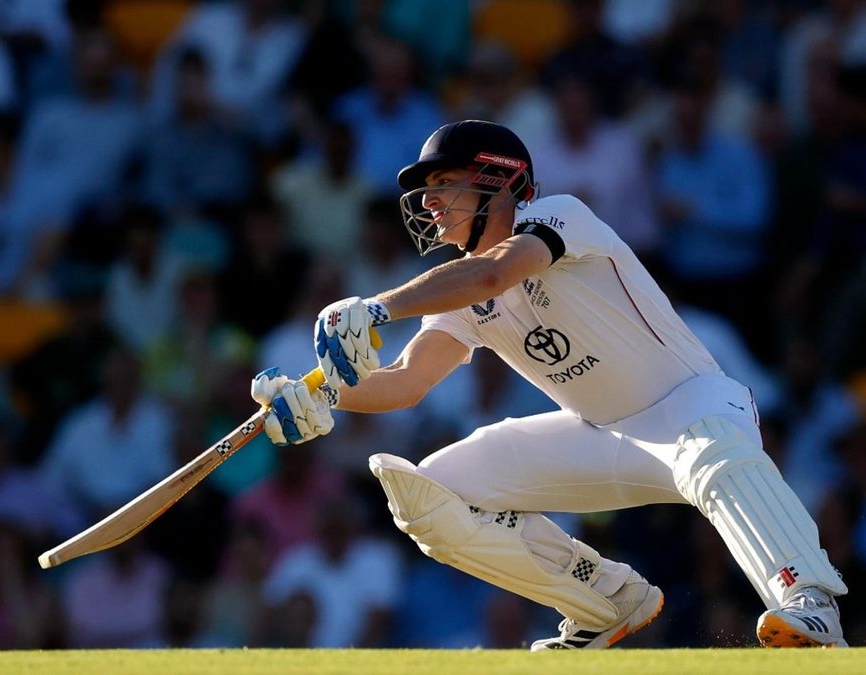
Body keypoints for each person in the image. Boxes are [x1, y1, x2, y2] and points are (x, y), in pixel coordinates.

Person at [249, 119, 850, 649]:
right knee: (431, 497)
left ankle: (809, 603)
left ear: (498, 181)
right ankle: (607, 602)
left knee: (712, 454)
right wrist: (324, 395)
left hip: (690, 405)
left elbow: (494, 275)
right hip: (601, 435)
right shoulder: (451, 290)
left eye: (443, 185)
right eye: (426, 193)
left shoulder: (559, 216)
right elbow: (406, 381)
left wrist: (377, 307)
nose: (429, 206)